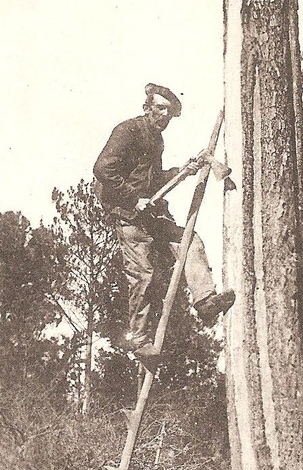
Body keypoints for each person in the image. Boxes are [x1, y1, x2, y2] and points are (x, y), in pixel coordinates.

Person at [93, 83, 234, 369]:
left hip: (151, 213)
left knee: (189, 241)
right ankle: (139, 339)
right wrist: (134, 199)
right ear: (147, 108)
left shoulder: (156, 140)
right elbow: (102, 169)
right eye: (160, 109)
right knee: (142, 276)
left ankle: (205, 300)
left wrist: (182, 170)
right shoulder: (128, 131)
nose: (164, 116)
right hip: (128, 215)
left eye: (169, 113)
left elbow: (153, 180)